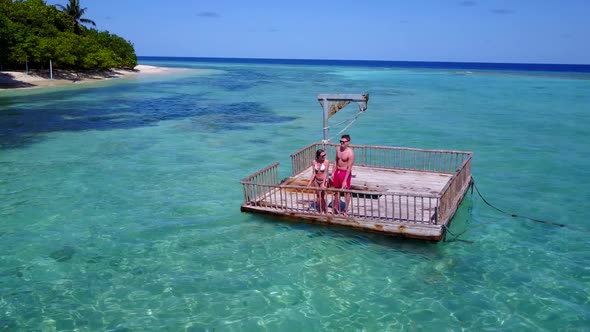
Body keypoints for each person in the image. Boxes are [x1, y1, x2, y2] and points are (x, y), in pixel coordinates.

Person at [332, 134, 354, 215]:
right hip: (337, 171)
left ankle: (345, 209)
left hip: (345, 173)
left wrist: (345, 180)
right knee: (336, 190)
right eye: (340, 141)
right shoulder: (338, 149)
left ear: (348, 142)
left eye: (344, 142)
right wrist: (333, 172)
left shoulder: (350, 153)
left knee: (346, 191)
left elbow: (349, 168)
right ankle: (336, 208)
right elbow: (336, 161)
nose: (342, 143)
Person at [307, 149, 330, 213]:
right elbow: (314, 173)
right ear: (318, 156)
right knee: (318, 195)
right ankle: (320, 209)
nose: (324, 157)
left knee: (322, 196)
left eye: (324, 155)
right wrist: (310, 182)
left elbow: (325, 173)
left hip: (323, 180)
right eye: (322, 156)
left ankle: (324, 209)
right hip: (316, 180)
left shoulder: (326, 162)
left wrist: (323, 183)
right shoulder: (314, 162)